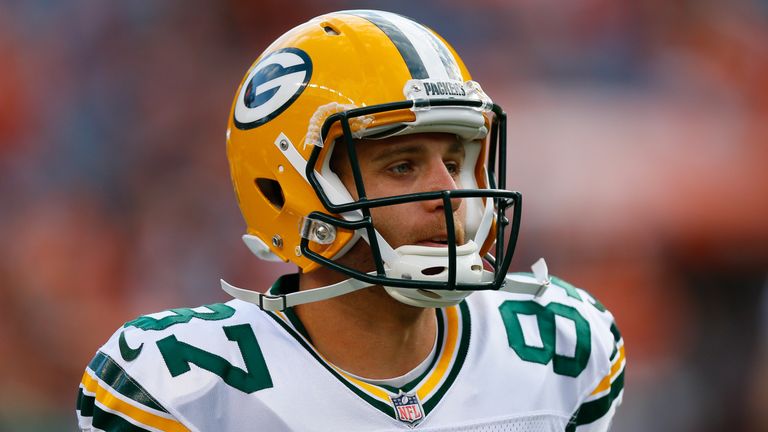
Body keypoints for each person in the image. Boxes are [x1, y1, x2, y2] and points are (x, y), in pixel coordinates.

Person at [76, 10, 624, 431]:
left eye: (454, 162)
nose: (449, 193)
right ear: (289, 189)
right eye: (403, 166)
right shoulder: (183, 385)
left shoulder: (561, 345)